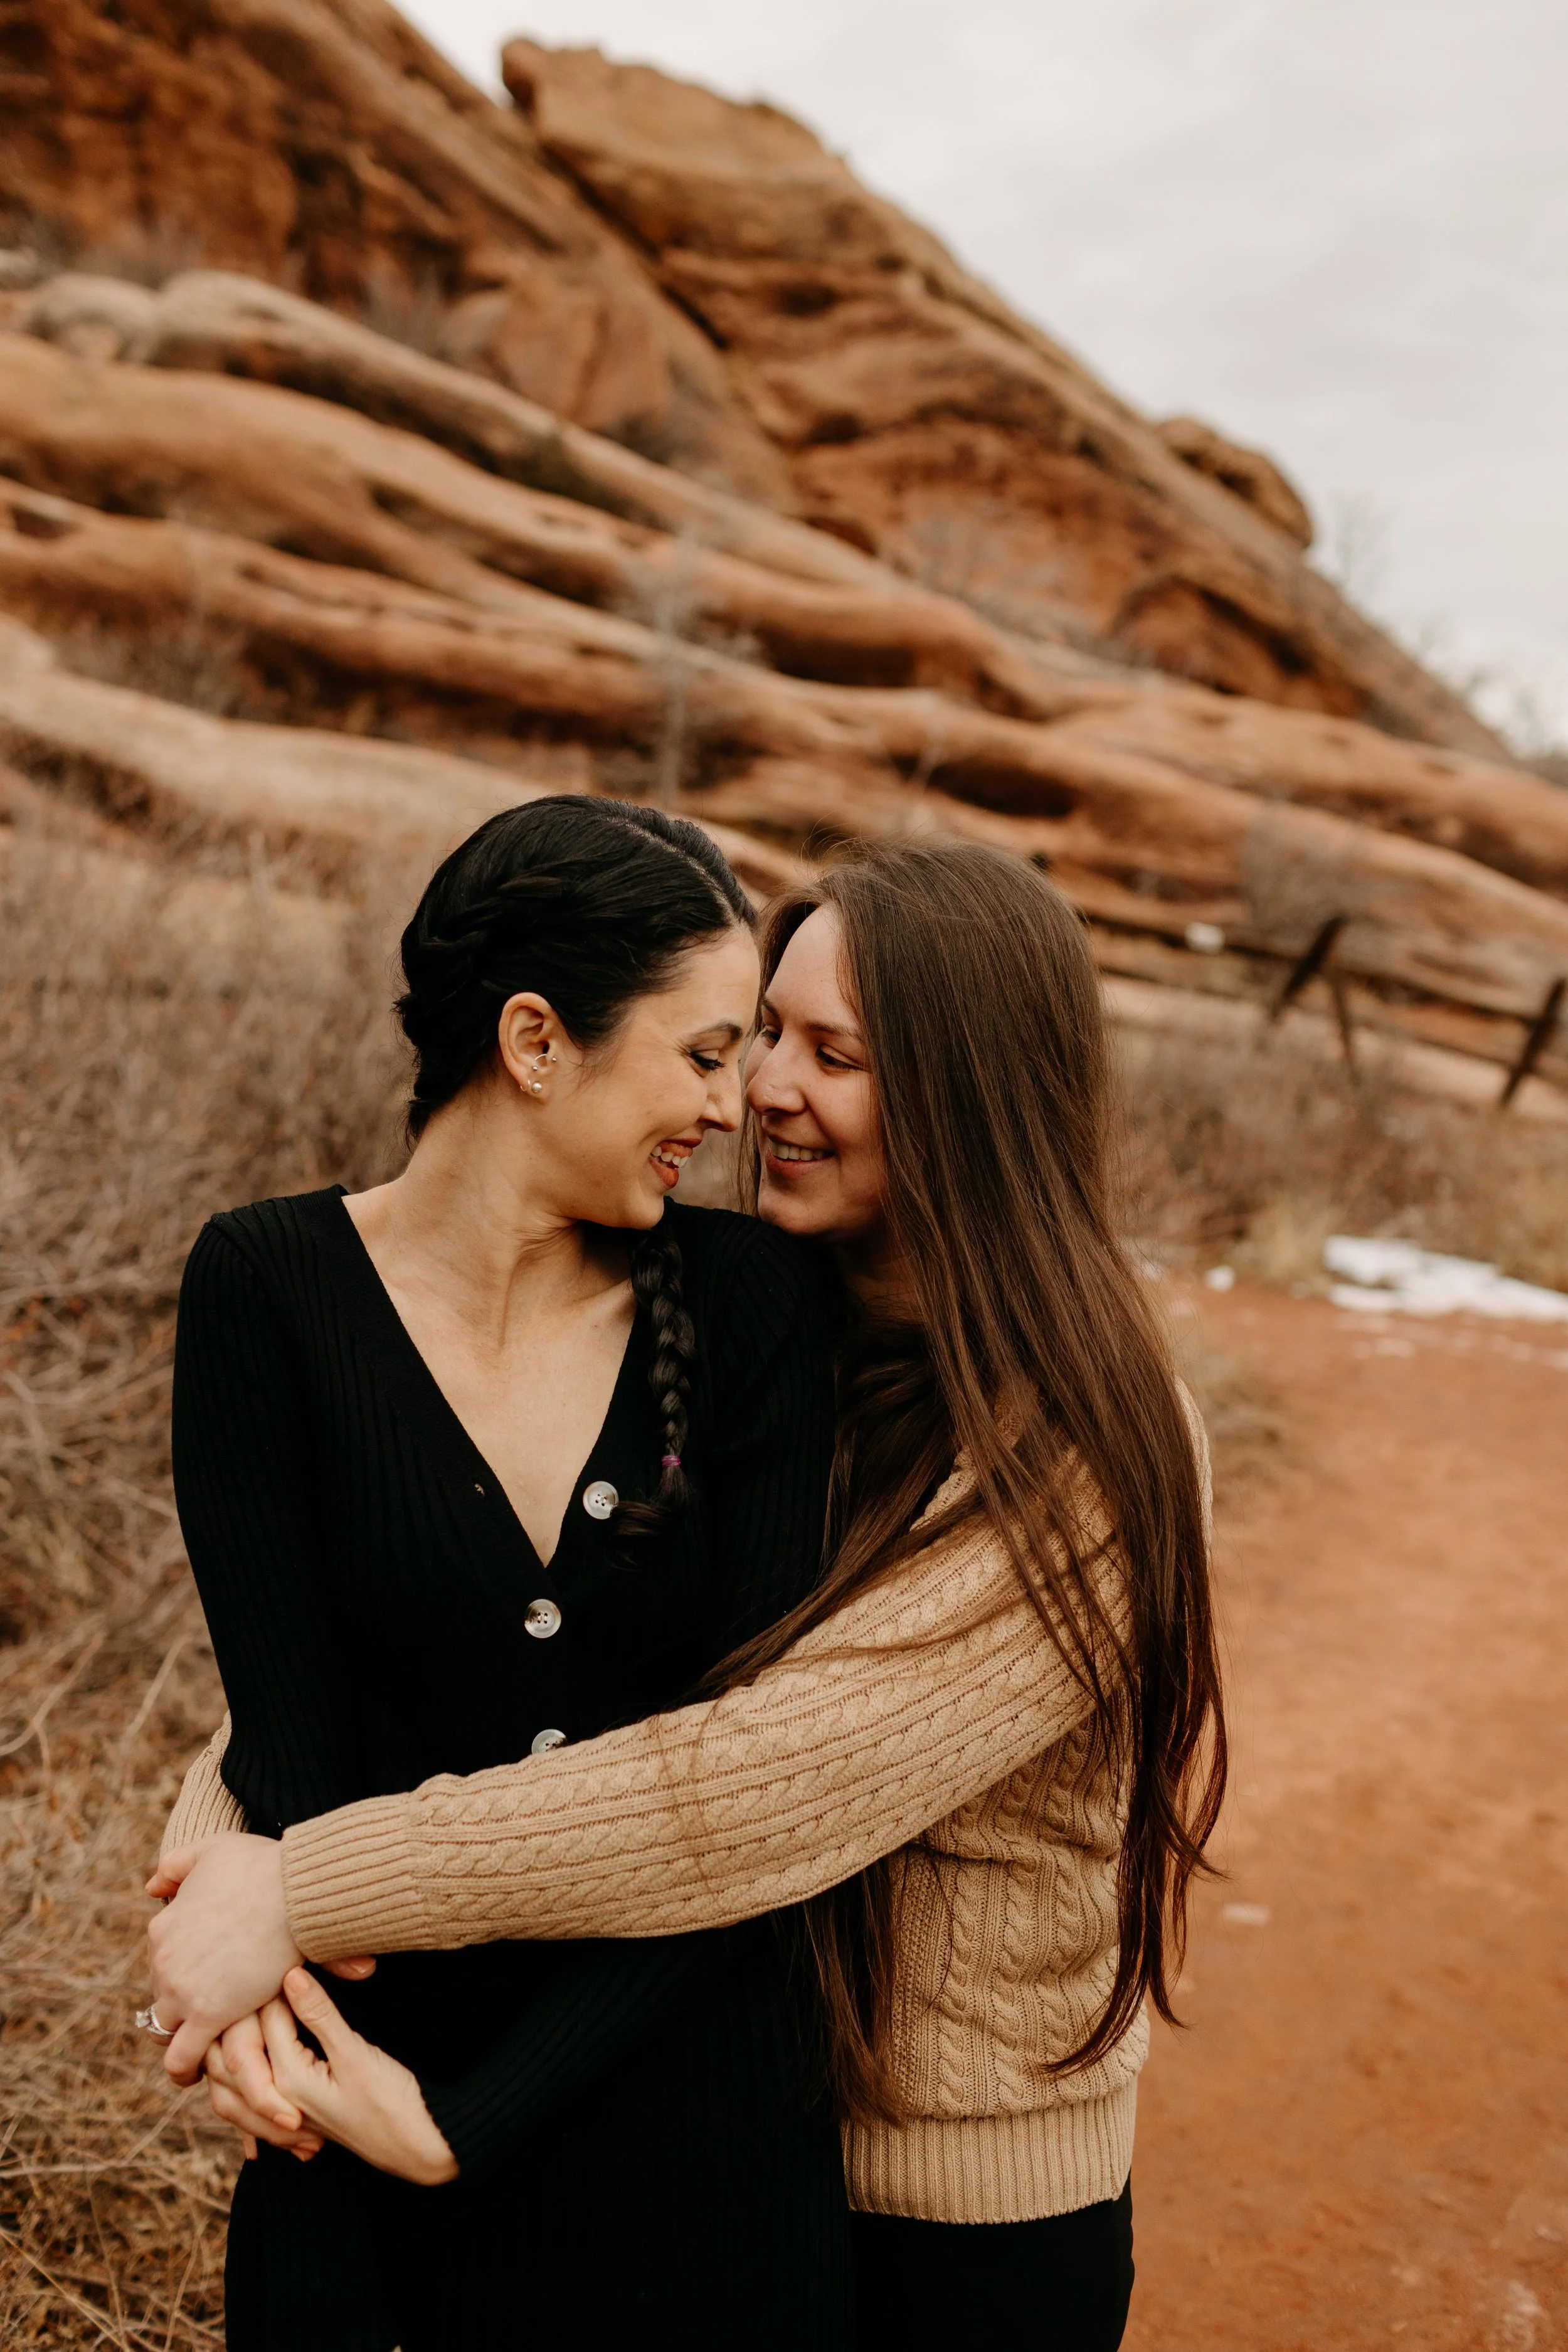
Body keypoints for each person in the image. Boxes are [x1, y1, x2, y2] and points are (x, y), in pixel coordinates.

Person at [151, 840, 1227, 2352]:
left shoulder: (1092, 1440)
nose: (759, 1092)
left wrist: (300, 1890)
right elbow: (452, 1643)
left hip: (955, 2211)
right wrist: (217, 1852)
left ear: (966, 1094)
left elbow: (757, 1779)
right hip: (706, 2135)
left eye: (829, 1054)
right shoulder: (749, 1324)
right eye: (756, 1033)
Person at [143, 796, 856, 2351]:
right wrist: (303, 2065)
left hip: (695, 2156)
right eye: (703, 1051)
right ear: (536, 1043)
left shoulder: (749, 1308)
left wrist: (477, 2115)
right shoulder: (266, 1293)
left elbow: (740, 1800)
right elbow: (296, 1765)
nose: (736, 1107)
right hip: (354, 2138)